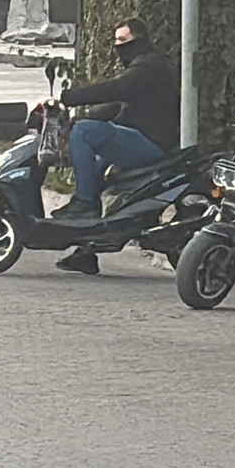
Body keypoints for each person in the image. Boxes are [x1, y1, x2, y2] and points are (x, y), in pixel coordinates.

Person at [53, 18, 180, 275]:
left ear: (139, 40)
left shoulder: (149, 67)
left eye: (123, 40)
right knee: (93, 170)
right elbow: (115, 106)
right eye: (116, 41)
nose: (118, 46)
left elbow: (116, 89)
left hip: (150, 142)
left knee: (85, 132)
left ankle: (84, 204)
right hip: (139, 139)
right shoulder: (141, 68)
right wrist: (76, 119)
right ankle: (87, 251)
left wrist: (71, 98)